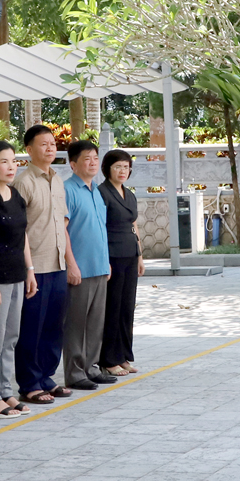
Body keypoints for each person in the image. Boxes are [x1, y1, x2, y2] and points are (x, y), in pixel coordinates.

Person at [13, 125, 74, 405]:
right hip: (35, 265)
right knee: (31, 328)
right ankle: (29, 382)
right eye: (43, 144)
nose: (50, 148)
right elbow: (19, 228)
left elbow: (63, 223)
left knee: (53, 326)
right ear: (28, 149)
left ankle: (47, 377)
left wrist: (70, 262)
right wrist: (27, 268)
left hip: (57, 262)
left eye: (52, 144)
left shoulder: (58, 179)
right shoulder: (23, 182)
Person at [0, 141, 37, 420]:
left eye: (13, 161)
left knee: (10, 338)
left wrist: (30, 269)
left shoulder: (16, 196)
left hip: (16, 274)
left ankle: (6, 391)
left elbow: (23, 235)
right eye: (3, 161)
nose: (11, 166)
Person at [61, 140, 115, 391]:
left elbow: (100, 229)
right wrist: (71, 264)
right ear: (73, 164)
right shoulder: (68, 190)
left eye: (95, 157)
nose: (93, 162)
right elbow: (63, 231)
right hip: (79, 269)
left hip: (99, 266)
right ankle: (74, 372)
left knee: (95, 322)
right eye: (87, 158)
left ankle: (92, 367)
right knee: (76, 323)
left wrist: (106, 263)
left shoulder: (96, 191)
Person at [97, 149, 144, 377]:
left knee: (127, 307)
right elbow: (99, 229)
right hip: (112, 255)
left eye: (126, 167)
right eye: (118, 166)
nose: (122, 171)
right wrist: (104, 260)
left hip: (130, 254)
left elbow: (134, 225)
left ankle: (124, 355)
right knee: (112, 308)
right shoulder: (102, 193)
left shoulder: (130, 194)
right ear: (107, 169)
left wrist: (140, 256)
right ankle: (108, 359)